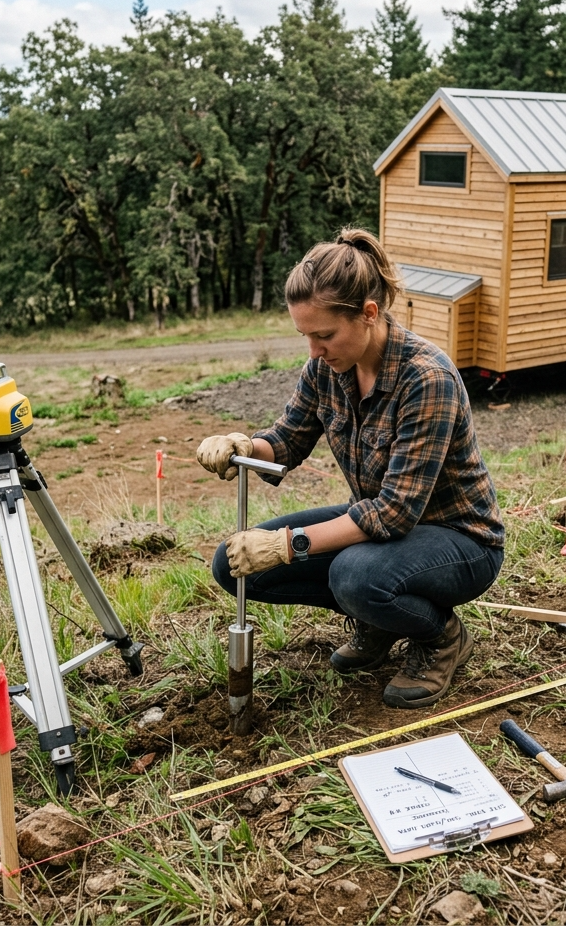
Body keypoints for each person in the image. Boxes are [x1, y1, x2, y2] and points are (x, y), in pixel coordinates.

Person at [197, 228, 504, 708]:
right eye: (305, 336)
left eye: (324, 335)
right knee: (233, 566)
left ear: (369, 313)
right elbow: (287, 441)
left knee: (354, 576)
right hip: (384, 529)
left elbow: (395, 512)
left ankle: (442, 637)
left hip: (459, 540)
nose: (314, 351)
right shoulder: (327, 369)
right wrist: (244, 444)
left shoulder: (427, 378)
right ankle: (381, 620)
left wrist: (286, 545)